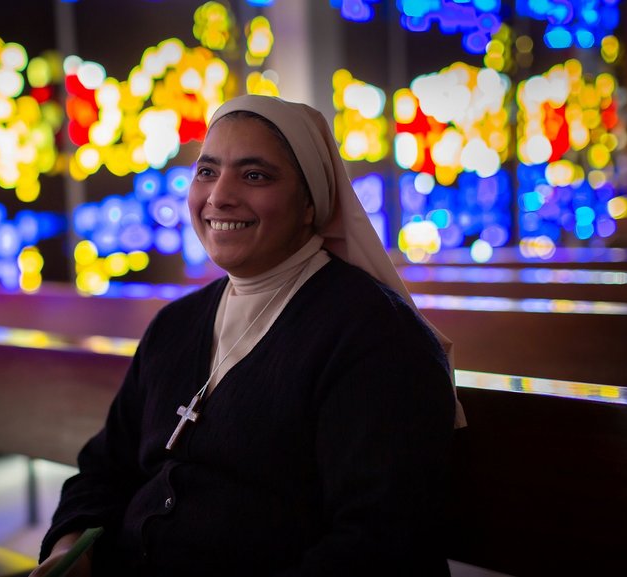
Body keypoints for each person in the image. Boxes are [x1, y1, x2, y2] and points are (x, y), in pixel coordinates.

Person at [31, 94, 464, 577]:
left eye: (255, 175)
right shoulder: (175, 325)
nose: (219, 196)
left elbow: (378, 543)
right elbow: (104, 469)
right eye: (207, 171)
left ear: (309, 204)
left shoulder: (375, 336)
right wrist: (72, 550)